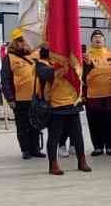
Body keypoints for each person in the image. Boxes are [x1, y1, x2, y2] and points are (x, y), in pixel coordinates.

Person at [37, 45, 91, 175]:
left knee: (77, 136)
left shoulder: (70, 62)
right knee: (54, 137)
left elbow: (84, 74)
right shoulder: (42, 64)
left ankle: (82, 161)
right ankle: (53, 164)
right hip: (56, 106)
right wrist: (64, 65)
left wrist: (86, 64)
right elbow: (47, 75)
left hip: (72, 104)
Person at [0, 34, 44, 159]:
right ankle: (25, 150)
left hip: (36, 97)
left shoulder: (35, 54)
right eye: (19, 41)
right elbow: (5, 80)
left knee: (35, 125)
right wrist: (10, 98)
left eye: (24, 41)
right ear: (14, 43)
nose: (23, 43)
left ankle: (35, 149)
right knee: (23, 126)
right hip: (19, 99)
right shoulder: (9, 58)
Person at [82, 30, 111, 157]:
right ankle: (98, 147)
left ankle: (110, 146)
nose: (98, 39)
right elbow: (80, 76)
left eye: (100, 37)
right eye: (95, 37)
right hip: (92, 96)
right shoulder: (85, 56)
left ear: (104, 41)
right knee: (94, 123)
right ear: (91, 41)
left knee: (110, 122)